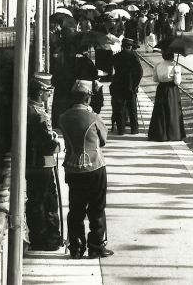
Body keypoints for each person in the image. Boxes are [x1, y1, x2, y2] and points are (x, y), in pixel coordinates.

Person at [59, 80, 111, 259]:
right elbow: (103, 139)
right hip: (94, 166)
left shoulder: (63, 117)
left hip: (72, 167)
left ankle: (76, 246)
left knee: (76, 208)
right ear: (88, 98)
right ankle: (96, 245)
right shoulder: (94, 117)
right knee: (97, 207)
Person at [25, 73, 63, 251]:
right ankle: (45, 239)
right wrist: (56, 143)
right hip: (40, 164)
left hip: (37, 163)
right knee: (44, 203)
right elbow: (46, 144)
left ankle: (46, 238)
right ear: (40, 92)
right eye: (48, 90)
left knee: (42, 201)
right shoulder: (37, 113)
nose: (50, 94)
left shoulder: (30, 108)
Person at [148, 48, 186, 141]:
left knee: (160, 110)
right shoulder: (175, 67)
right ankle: (172, 134)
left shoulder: (158, 65)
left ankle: (159, 134)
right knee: (172, 110)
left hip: (161, 89)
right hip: (171, 90)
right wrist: (177, 72)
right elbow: (177, 82)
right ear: (172, 56)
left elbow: (155, 79)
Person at [110, 38, 143, 135]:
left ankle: (121, 129)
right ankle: (134, 129)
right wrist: (136, 84)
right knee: (132, 108)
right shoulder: (134, 56)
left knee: (120, 107)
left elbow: (112, 70)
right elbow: (140, 72)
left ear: (122, 46)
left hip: (118, 84)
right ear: (130, 47)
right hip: (130, 85)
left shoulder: (116, 56)